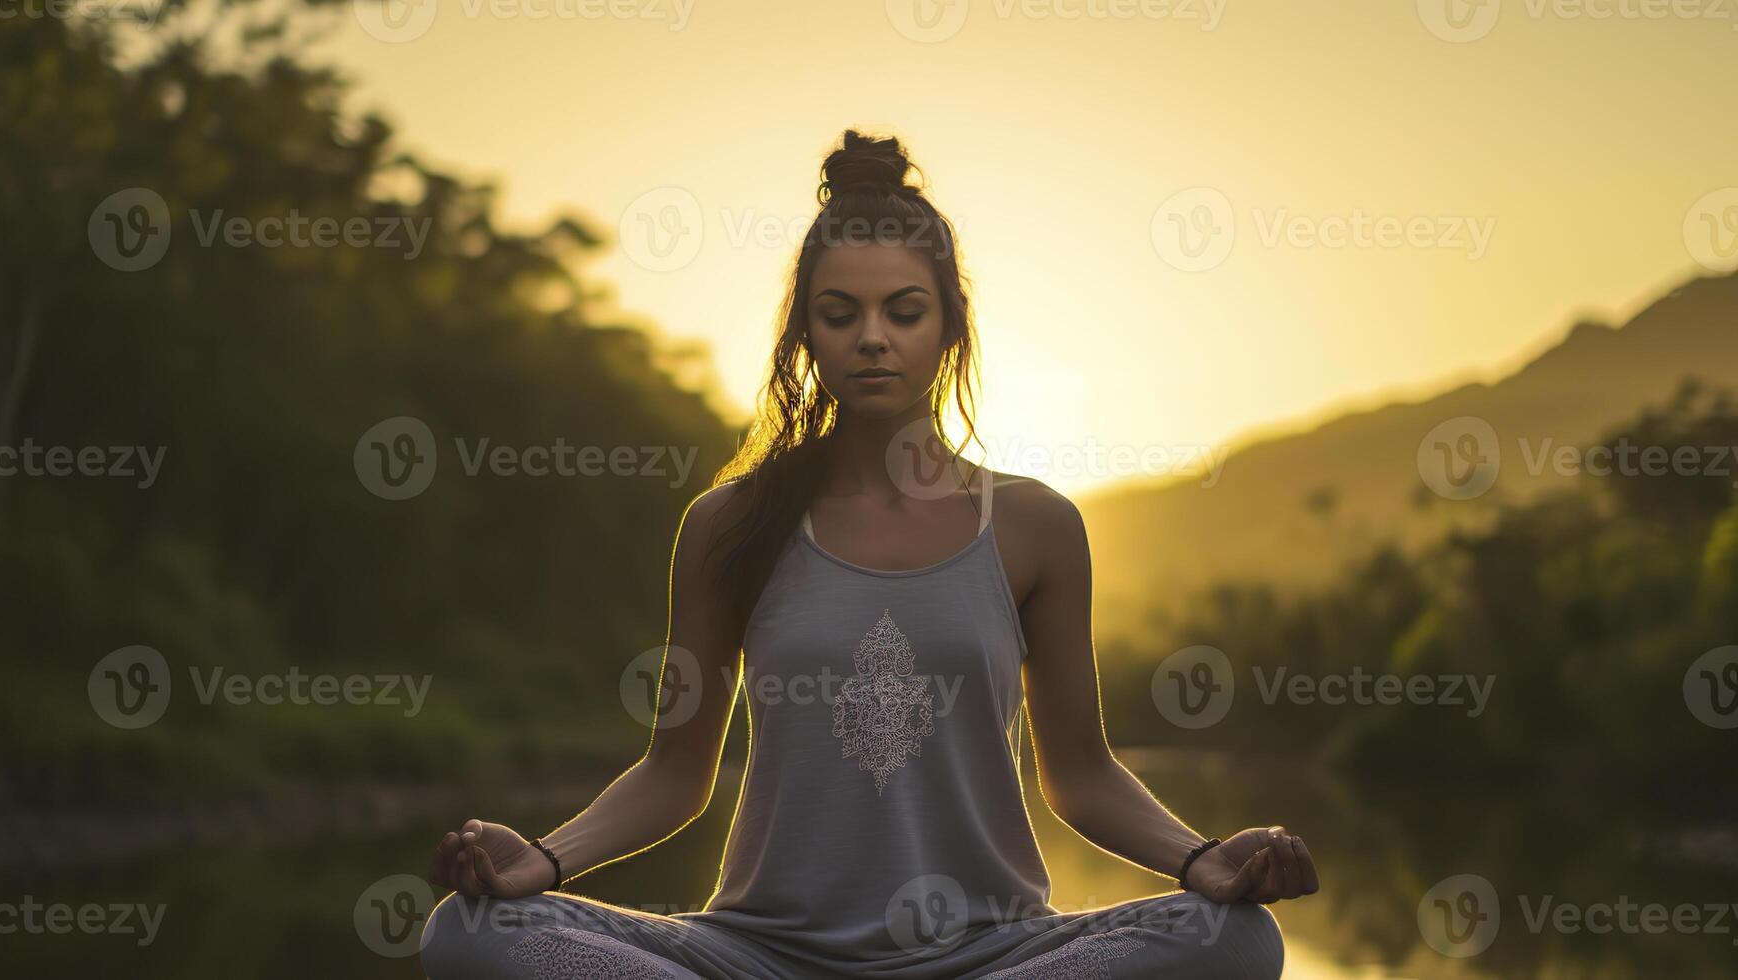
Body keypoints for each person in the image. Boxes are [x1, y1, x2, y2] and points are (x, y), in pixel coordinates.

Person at [418, 129, 1316, 979]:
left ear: (948, 329)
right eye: (840, 314)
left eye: (904, 311)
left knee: (1231, 938)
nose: (873, 336)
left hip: (989, 952)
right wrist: (543, 858)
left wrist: (1199, 860)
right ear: (807, 334)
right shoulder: (730, 523)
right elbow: (674, 774)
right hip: (757, 955)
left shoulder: (1034, 525)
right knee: (471, 930)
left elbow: (1079, 775)